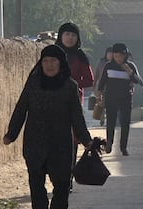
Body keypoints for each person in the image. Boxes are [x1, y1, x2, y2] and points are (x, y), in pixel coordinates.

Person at [3, 45, 93, 209]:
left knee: (61, 184)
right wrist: (11, 134)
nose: (49, 65)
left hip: (60, 143)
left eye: (53, 61)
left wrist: (86, 140)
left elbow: (77, 117)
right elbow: (21, 109)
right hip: (35, 140)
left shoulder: (70, 86)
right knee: (36, 180)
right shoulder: (33, 83)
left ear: (61, 63)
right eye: (45, 61)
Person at [54, 22, 94, 192]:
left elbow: (90, 80)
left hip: (73, 103)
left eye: (73, 35)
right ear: (60, 36)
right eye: (66, 34)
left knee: (72, 141)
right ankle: (57, 177)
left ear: (77, 38)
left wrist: (72, 83)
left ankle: (67, 179)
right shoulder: (53, 54)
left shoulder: (80, 56)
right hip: (52, 102)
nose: (69, 38)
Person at [97, 43, 143, 156]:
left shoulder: (131, 66)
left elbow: (138, 80)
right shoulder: (108, 66)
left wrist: (129, 72)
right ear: (113, 55)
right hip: (110, 97)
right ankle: (109, 142)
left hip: (125, 98)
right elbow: (103, 80)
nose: (118, 58)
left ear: (126, 56)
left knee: (125, 123)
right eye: (116, 56)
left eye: (121, 56)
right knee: (111, 122)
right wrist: (99, 94)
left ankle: (123, 147)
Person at [94, 47, 113, 126]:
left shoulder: (115, 63)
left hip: (112, 87)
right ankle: (102, 119)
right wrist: (94, 84)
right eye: (109, 53)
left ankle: (110, 119)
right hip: (102, 86)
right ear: (106, 54)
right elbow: (97, 74)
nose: (110, 55)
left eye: (112, 53)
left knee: (110, 104)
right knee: (102, 103)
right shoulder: (101, 62)